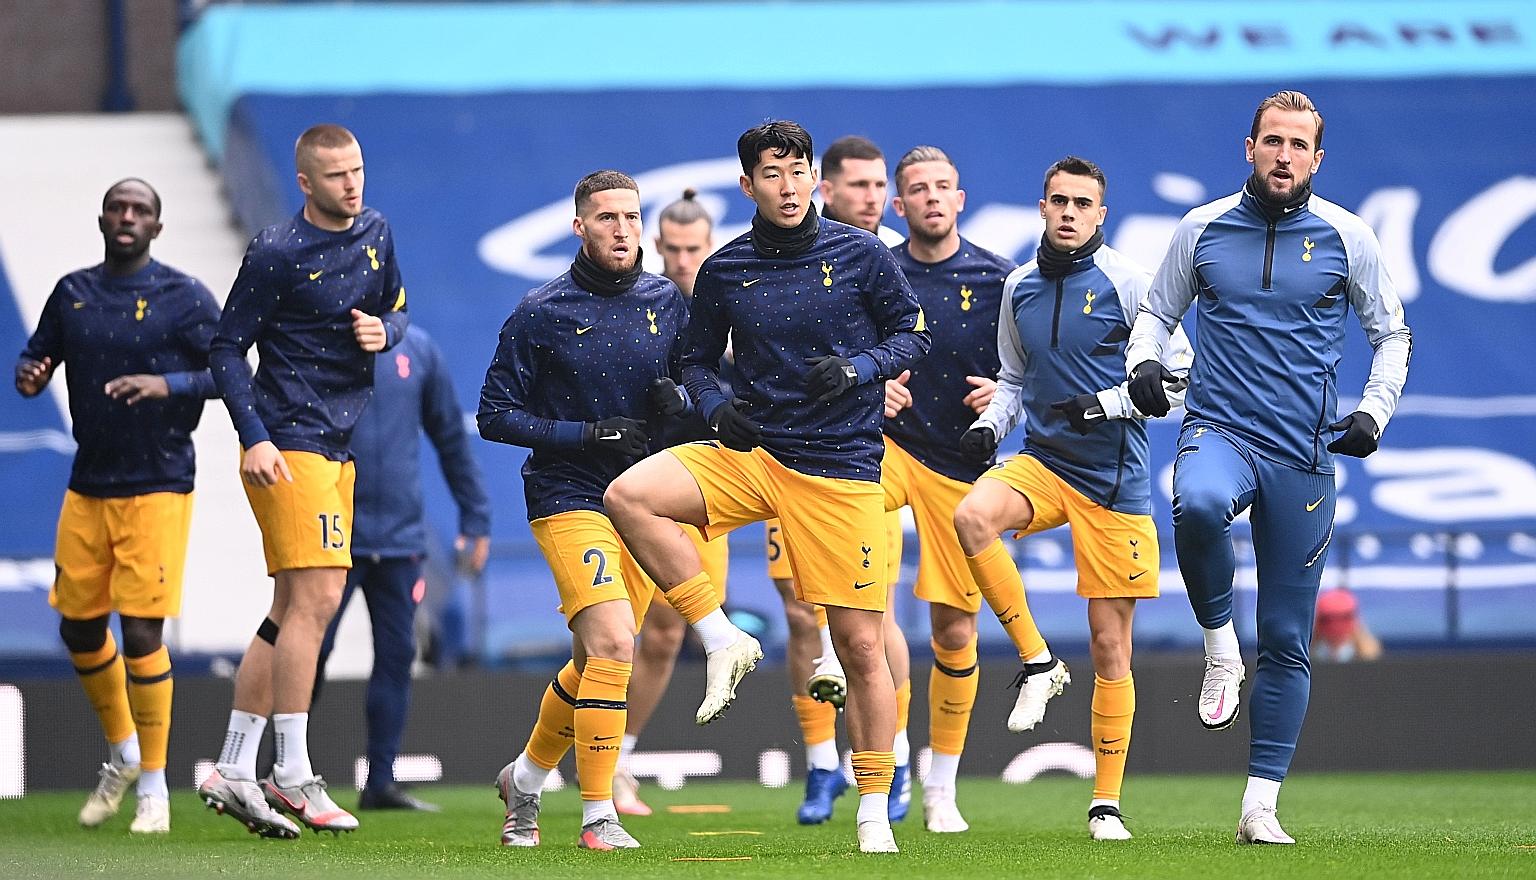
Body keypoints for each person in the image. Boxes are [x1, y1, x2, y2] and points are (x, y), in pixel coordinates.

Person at [605, 120, 931, 854]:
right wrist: (717, 411)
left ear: (816, 177)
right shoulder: (725, 270)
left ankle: (873, 806)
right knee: (630, 496)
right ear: (748, 186)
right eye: (773, 175)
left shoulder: (860, 253)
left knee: (860, 646)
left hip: (840, 468)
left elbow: (913, 334)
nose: (790, 187)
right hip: (754, 457)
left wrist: (861, 369)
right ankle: (721, 637)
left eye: (800, 171)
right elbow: (690, 361)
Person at [1126, 90, 1411, 844]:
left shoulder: (1350, 238)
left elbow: (1392, 335)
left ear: (1318, 158)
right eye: (1272, 141)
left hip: (1305, 453)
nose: (1284, 155)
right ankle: (1219, 645)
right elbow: (1155, 312)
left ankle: (1260, 807)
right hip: (1220, 429)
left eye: (1298, 145)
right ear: (1247, 148)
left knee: (1286, 637)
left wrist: (1374, 412)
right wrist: (1145, 359)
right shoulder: (1202, 228)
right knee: (1194, 504)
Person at [478, 171, 761, 851]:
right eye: (606, 218)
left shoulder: (667, 300)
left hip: (641, 502)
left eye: (631, 217)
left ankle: (525, 777)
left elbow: (691, 392)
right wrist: (586, 434)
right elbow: (495, 415)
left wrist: (684, 410)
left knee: (601, 661)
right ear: (579, 227)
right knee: (612, 644)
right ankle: (598, 814)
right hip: (569, 495)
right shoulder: (540, 311)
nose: (622, 229)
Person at [954, 155, 1193, 841]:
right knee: (972, 515)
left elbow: (1180, 372)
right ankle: (1037, 662)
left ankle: (1106, 804)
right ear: (1041, 207)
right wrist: (986, 426)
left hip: (1115, 482)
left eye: (1081, 203)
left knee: (1110, 647)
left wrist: (1112, 401)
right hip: (1044, 463)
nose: (1067, 211)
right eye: (1057, 199)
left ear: (1100, 214)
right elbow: (1011, 376)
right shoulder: (1020, 287)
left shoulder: (1129, 284)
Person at [198, 124, 409, 839]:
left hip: (337, 444)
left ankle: (232, 766)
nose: (352, 184)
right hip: (289, 443)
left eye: (357, 169)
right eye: (337, 175)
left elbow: (398, 309)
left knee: (289, 608)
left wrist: (388, 332)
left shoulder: (376, 230)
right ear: (305, 183)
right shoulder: (277, 252)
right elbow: (226, 347)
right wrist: (252, 436)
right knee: (319, 598)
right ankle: (292, 773)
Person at [16, 179, 220, 835]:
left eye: (141, 210)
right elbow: (38, 350)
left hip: (158, 481)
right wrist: (33, 370)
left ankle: (154, 785)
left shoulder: (184, 296)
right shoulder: (73, 290)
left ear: (157, 226)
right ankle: (124, 751)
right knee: (78, 626)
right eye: (118, 207)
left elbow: (231, 369)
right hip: (89, 482)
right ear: (102, 218)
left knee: (140, 632)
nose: (128, 217)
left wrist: (169, 383)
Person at [879, 145, 1024, 833]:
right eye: (917, 189)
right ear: (896, 206)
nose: (932, 197)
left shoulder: (1000, 278)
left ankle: (942, 786)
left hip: (960, 465)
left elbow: (1029, 372)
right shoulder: (877, 274)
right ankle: (877, 757)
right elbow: (846, 352)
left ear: (960, 199)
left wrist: (1006, 395)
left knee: (954, 629)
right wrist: (871, 385)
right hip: (886, 452)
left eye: (943, 187)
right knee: (847, 569)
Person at [313, 323, 491, 812]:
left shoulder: (418, 348)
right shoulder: (319, 338)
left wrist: (475, 517)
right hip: (332, 534)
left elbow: (450, 438)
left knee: (396, 656)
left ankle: (381, 782)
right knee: (309, 652)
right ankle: (281, 772)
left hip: (399, 538)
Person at [794, 133, 916, 827]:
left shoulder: (894, 259)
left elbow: (921, 344)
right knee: (793, 606)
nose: (872, 197)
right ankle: (818, 766)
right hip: (796, 453)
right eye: (859, 185)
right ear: (826, 190)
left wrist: (884, 388)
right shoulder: (795, 258)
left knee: (872, 619)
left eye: (879, 185)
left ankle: (890, 759)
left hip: (874, 462)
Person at [612, 189, 731, 817]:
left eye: (695, 249)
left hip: (706, 491)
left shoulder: (730, 306)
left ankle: (622, 756)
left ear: (708, 246)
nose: (685, 260)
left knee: (665, 634)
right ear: (658, 248)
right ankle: (593, 761)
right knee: (614, 632)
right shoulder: (640, 305)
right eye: (675, 249)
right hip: (636, 488)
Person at [1312, 587, 1382, 663]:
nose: (1336, 633)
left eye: (1343, 618)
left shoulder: (1370, 659)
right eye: (1327, 620)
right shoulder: (1304, 660)